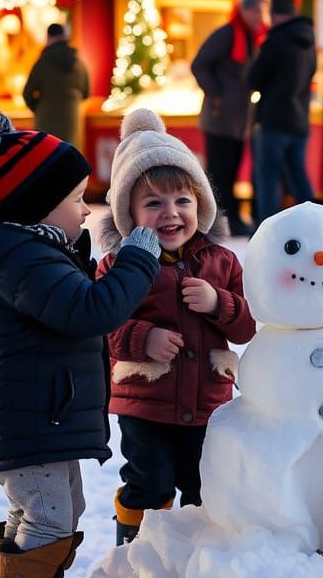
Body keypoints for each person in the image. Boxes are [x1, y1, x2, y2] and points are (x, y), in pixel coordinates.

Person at [0, 107, 161, 578]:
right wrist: (138, 259)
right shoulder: (28, 262)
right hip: (31, 418)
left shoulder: (36, 254)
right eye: (76, 199)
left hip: (36, 414)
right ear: (38, 206)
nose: (85, 211)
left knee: (45, 509)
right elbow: (92, 312)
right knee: (50, 514)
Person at [97, 108, 257, 544]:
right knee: (149, 482)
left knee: (204, 484)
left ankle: (200, 553)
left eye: (182, 200)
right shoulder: (119, 265)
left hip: (208, 400)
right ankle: (135, 549)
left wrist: (218, 302)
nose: (171, 213)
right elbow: (104, 325)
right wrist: (142, 338)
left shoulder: (222, 263)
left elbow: (247, 326)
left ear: (200, 205)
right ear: (128, 211)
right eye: (154, 203)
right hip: (146, 402)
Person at [191, 0, 267, 237]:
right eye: (257, 12)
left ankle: (230, 218)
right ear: (244, 11)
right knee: (219, 172)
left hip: (238, 121)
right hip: (219, 117)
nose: (260, 17)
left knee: (232, 171)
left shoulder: (250, 38)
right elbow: (199, 64)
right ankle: (218, 221)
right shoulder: (226, 35)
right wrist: (216, 94)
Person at [247, 0, 317, 221]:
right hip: (300, 119)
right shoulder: (309, 41)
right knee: (298, 175)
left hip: (274, 120)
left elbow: (254, 79)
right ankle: (315, 221)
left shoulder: (275, 40)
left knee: (268, 177)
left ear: (274, 14)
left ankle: (267, 228)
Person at [22, 23, 91, 146]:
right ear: (64, 36)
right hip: (72, 123)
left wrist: (39, 109)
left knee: (47, 159)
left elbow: (27, 93)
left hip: (46, 124)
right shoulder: (79, 63)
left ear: (48, 38)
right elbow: (86, 93)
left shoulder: (42, 63)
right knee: (71, 159)